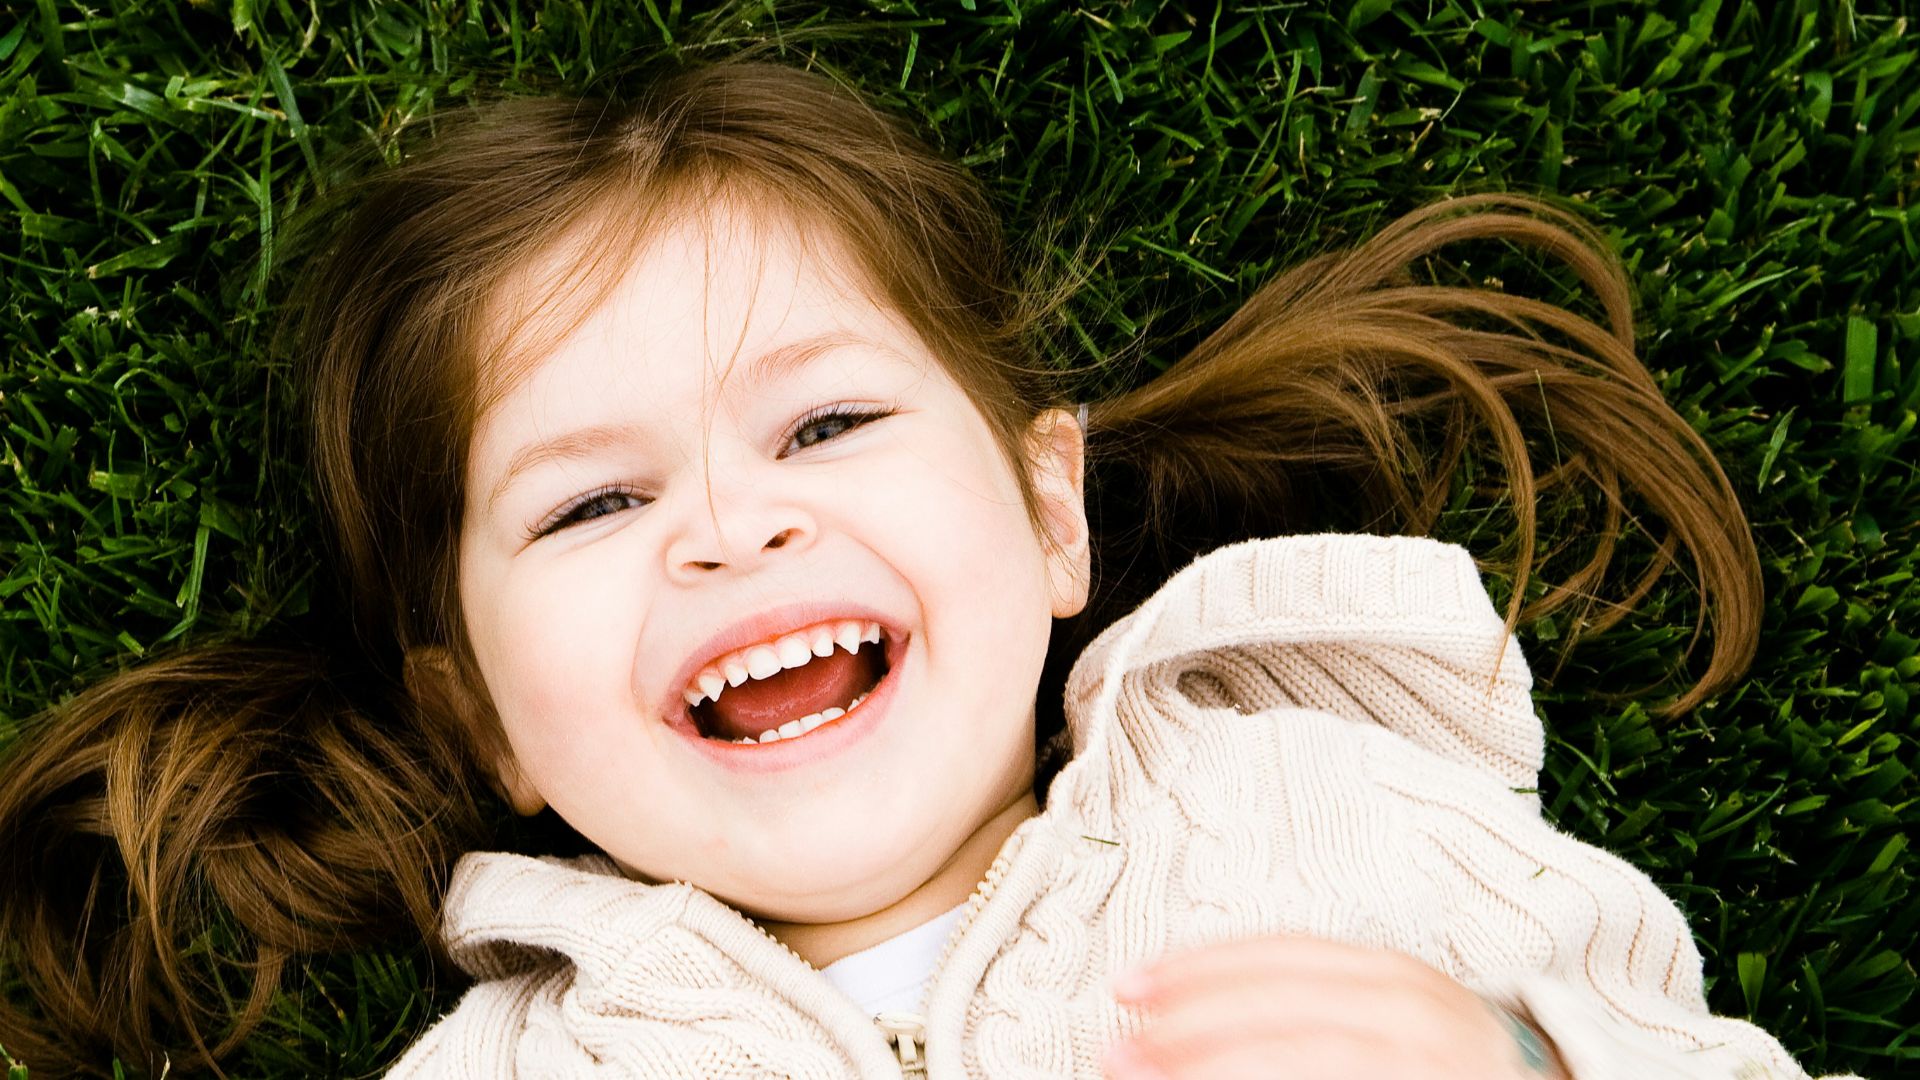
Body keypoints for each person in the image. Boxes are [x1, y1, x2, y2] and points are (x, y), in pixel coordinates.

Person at [0, 61, 1862, 1079]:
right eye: (592, 506)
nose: (730, 528)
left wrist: (1523, 1068)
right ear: (483, 717)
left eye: (824, 426)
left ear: (1052, 515)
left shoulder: (1334, 818)